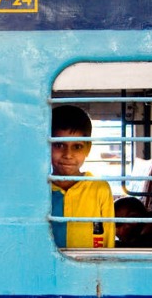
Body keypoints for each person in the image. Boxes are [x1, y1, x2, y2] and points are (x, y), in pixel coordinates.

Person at [50, 105, 116, 248]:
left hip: (89, 269)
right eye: (59, 145)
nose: (68, 155)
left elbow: (108, 240)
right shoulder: (39, 189)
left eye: (77, 146)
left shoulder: (100, 189)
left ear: (88, 148)